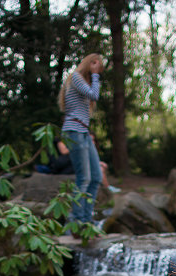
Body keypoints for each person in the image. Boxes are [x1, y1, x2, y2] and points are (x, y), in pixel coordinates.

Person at [58, 53, 104, 223]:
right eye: (94, 64)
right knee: (83, 178)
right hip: (74, 131)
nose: (96, 68)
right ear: (87, 63)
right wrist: (95, 75)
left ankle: (87, 221)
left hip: (83, 131)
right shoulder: (75, 77)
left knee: (96, 177)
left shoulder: (84, 82)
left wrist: (94, 77)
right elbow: (94, 95)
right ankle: (77, 223)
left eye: (98, 66)